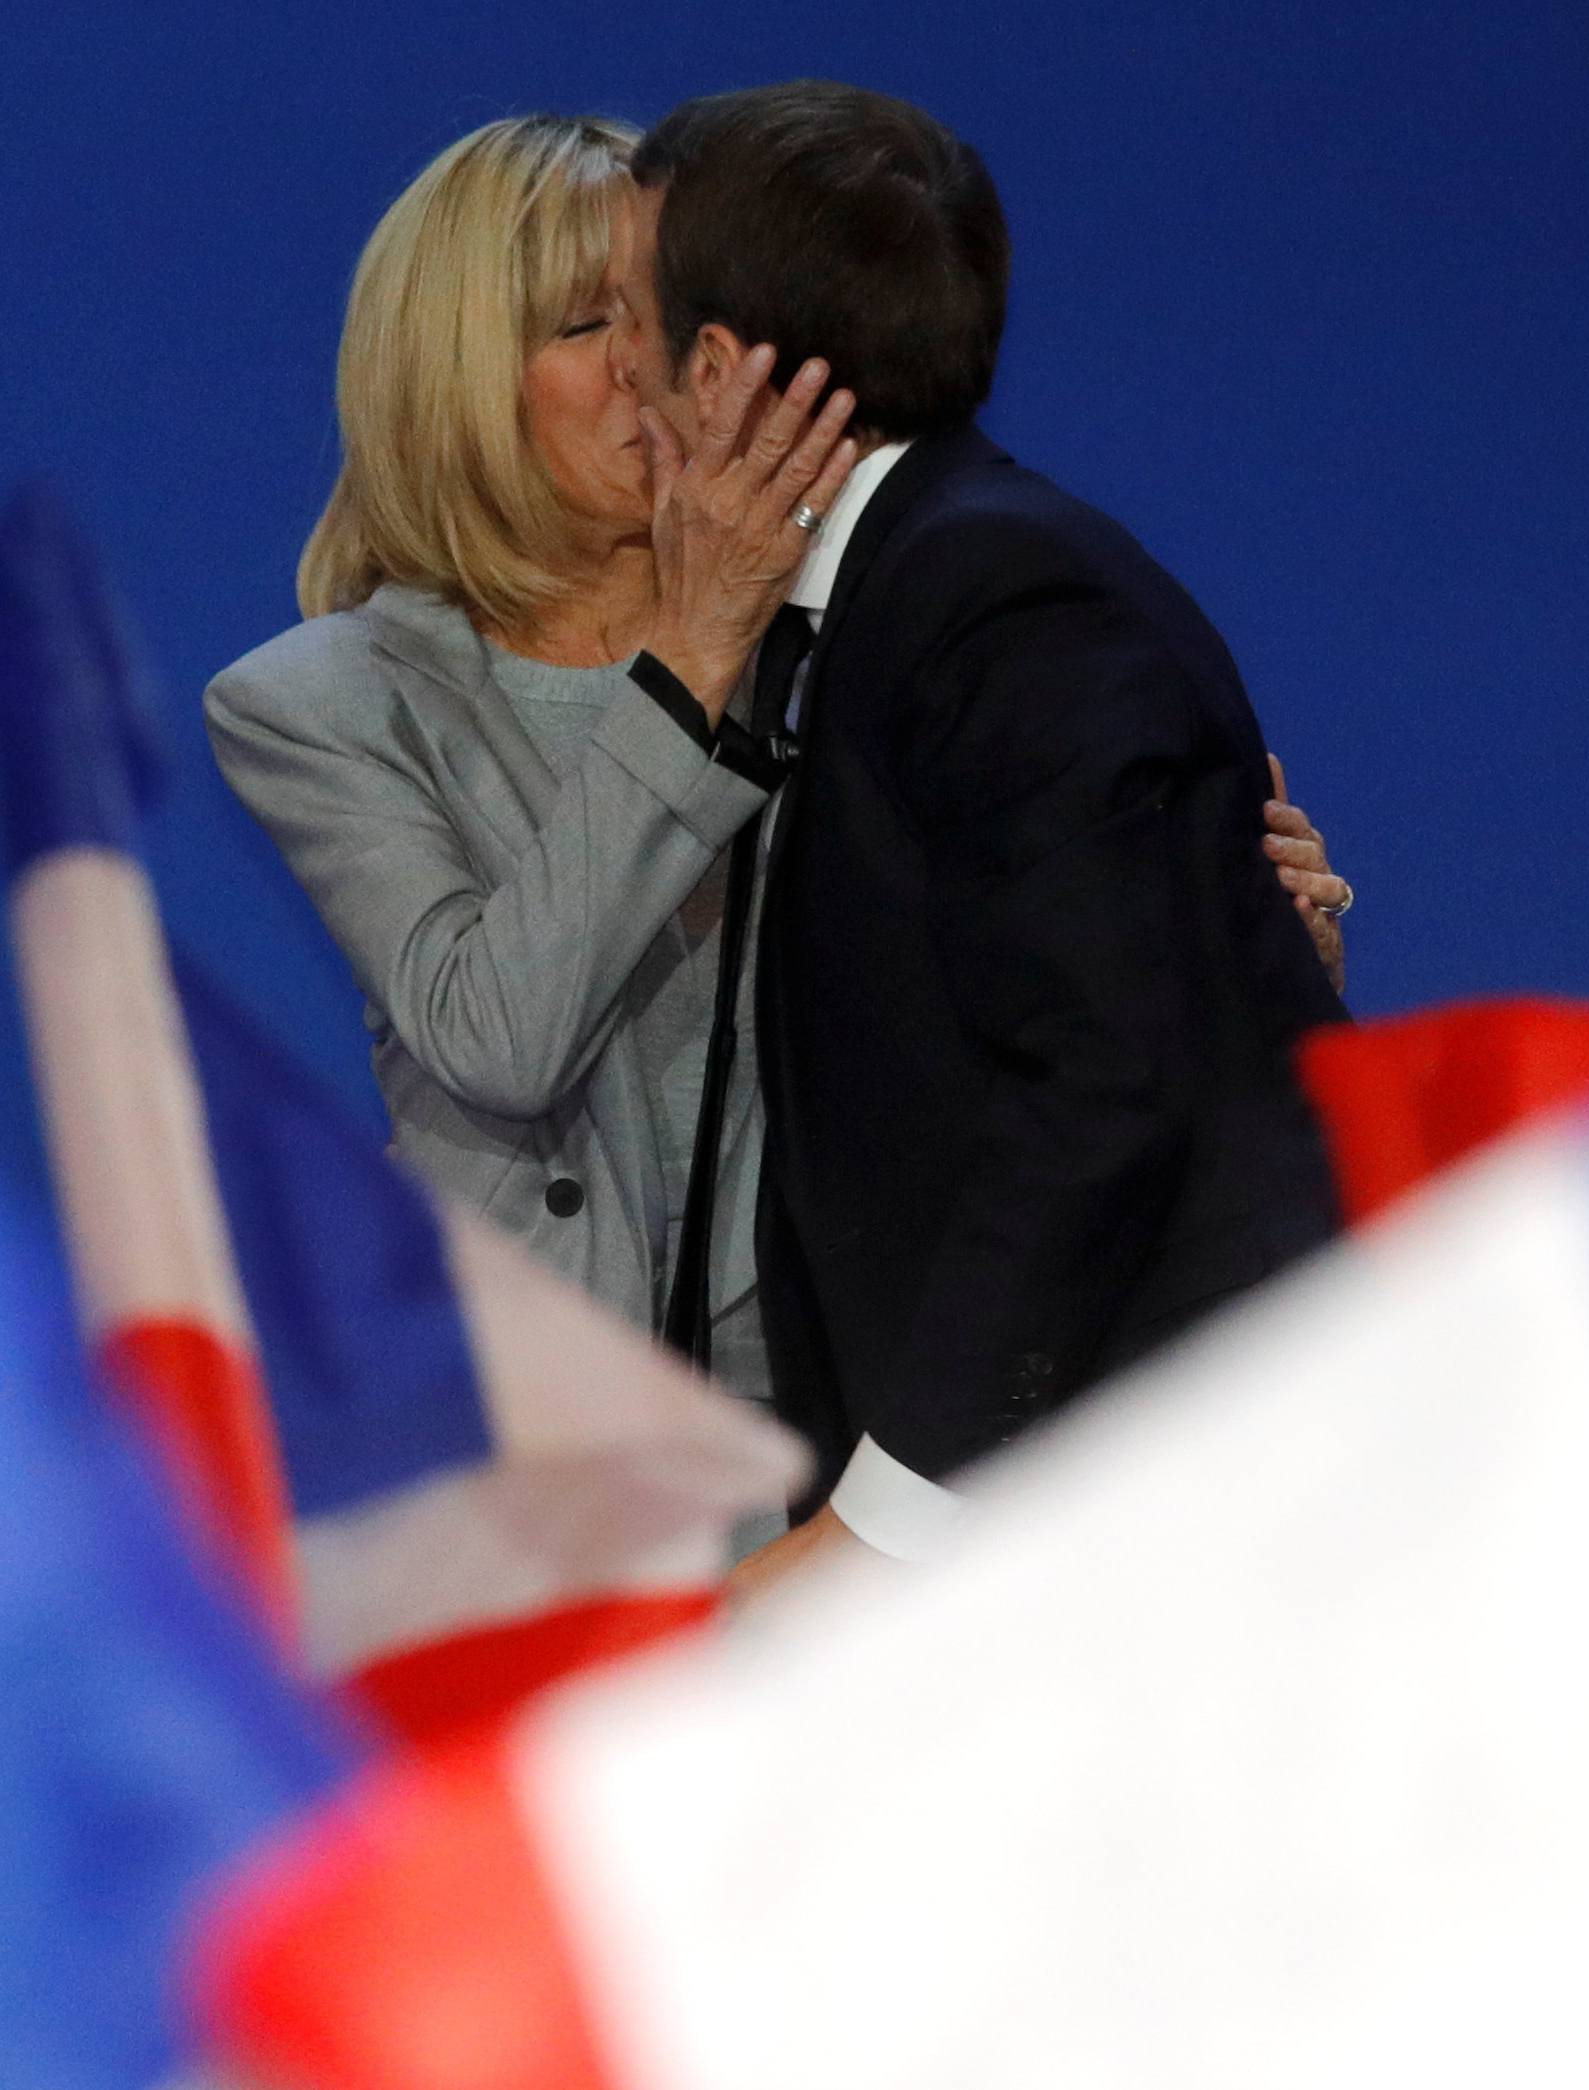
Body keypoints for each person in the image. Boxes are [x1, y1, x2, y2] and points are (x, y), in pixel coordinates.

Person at [205, 115, 1350, 1464]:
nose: (649, 370)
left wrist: (1229, 945)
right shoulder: (324, 702)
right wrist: (691, 656)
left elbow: (1036, 1025)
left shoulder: (843, 636)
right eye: (590, 325)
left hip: (835, 1419)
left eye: (658, 316)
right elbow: (496, 1037)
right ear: (458, 375)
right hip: (525, 1447)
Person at [619, 83, 1355, 1593]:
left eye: (625, 314)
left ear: (710, 368)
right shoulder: (886, 601)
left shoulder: (1001, 604)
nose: (612, 362)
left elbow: (1108, 1077)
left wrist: (877, 1526)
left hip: (1151, 1528)